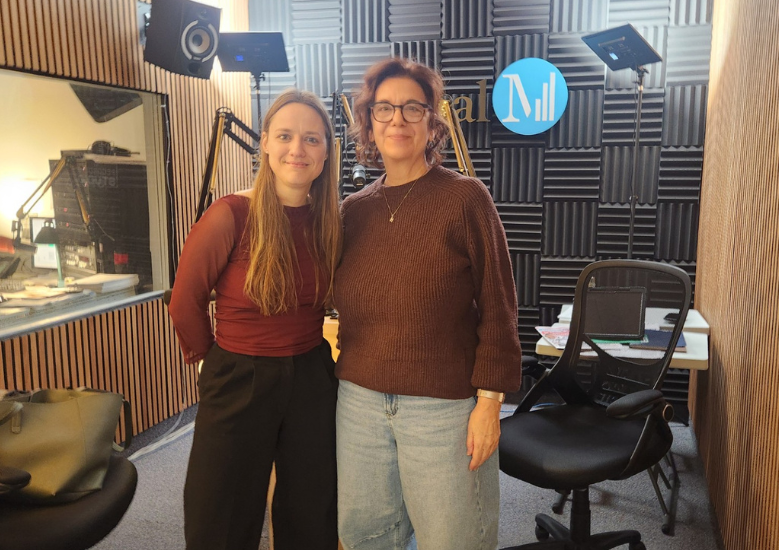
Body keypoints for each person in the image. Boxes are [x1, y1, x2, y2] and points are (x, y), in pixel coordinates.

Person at [333, 58, 521, 550]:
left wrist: (489, 403)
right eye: (385, 108)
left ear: (432, 120)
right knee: (365, 537)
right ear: (369, 121)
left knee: (452, 539)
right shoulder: (352, 212)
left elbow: (499, 308)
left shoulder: (466, 198)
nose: (397, 119)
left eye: (412, 108)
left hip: (443, 409)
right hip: (359, 406)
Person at [167, 88, 341, 550]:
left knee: (312, 507)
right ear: (264, 143)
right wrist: (210, 363)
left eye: (311, 139)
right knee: (219, 512)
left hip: (310, 376)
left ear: (326, 151)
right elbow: (184, 300)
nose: (297, 149)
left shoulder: (330, 220)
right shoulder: (230, 214)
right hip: (238, 372)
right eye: (284, 136)